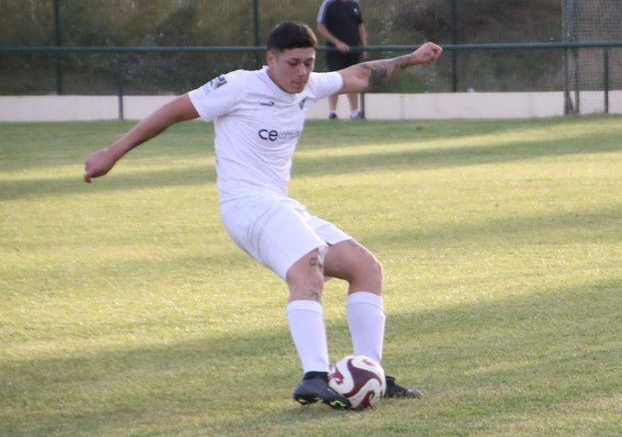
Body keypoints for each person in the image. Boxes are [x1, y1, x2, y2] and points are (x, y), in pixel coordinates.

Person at [83, 21, 442, 409]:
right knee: (309, 262)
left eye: (308, 63)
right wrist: (112, 153)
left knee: (365, 267)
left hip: (280, 204)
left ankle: (370, 373)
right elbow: (172, 111)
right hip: (245, 205)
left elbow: (360, 74)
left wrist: (413, 59)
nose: (302, 72)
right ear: (270, 59)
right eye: (293, 63)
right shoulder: (238, 86)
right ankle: (315, 376)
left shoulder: (309, 85)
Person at [316, 0, 368, 120]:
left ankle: (354, 112)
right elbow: (320, 27)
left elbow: (360, 26)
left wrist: (363, 46)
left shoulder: (354, 4)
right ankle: (332, 112)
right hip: (334, 51)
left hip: (353, 50)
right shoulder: (328, 4)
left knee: (354, 81)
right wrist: (337, 43)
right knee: (334, 81)